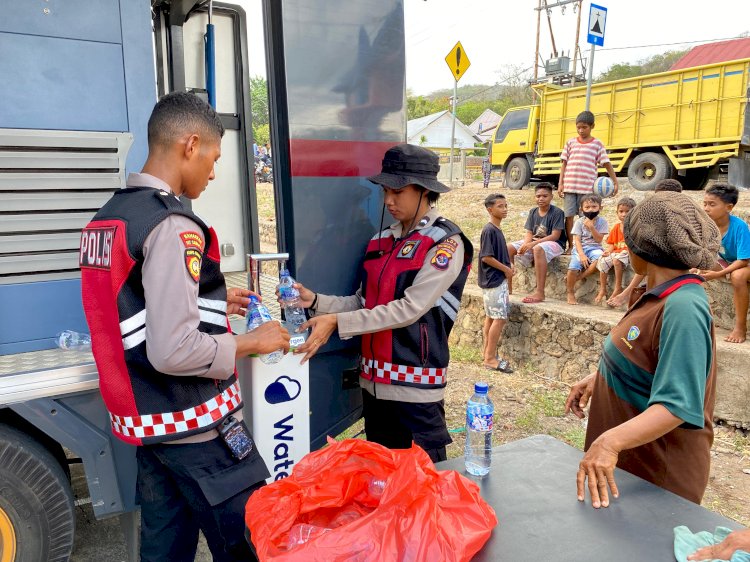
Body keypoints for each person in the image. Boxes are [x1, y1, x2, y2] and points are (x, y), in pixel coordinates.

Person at [79, 92, 291, 561]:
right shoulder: (173, 224)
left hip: (150, 427)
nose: (213, 174)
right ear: (190, 145)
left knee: (164, 548)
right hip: (195, 427)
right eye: (213, 159)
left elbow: (132, 303)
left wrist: (211, 298)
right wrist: (251, 341)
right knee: (251, 544)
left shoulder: (109, 218)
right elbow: (172, 350)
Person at [289, 144, 473, 464]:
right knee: (381, 483)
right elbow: (364, 301)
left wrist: (337, 323)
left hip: (416, 393)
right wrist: (317, 301)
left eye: (398, 191)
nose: (388, 201)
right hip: (373, 389)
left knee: (423, 490)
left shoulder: (446, 241)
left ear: (424, 190)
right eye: (386, 190)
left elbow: (410, 309)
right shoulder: (380, 241)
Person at [565, 191, 721, 509]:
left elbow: (677, 405)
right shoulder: (658, 293)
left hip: (657, 484)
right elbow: (650, 357)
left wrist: (610, 441)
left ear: (644, 250)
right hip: (628, 475)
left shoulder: (683, 307)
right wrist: (602, 375)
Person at [606, 179, 683, 308]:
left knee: (651, 261)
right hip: (656, 256)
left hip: (677, 258)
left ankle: (627, 293)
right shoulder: (651, 213)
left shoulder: (683, 214)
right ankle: (630, 294)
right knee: (647, 256)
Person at [558, 110, 618, 253]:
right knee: (569, 217)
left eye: (584, 127)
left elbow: (606, 163)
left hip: (586, 189)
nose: (581, 130)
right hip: (570, 186)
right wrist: (561, 183)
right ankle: (572, 246)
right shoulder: (570, 142)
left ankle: (586, 245)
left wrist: (615, 182)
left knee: (585, 217)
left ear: (592, 126)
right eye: (578, 127)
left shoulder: (597, 144)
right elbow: (564, 164)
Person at [697, 183, 750, 343]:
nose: (706, 208)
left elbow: (743, 260)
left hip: (745, 262)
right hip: (727, 262)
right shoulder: (707, 226)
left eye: (712, 204)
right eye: (705, 204)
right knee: (692, 270)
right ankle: (700, 321)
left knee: (738, 276)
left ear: (728, 207)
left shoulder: (739, 226)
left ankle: (740, 327)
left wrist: (719, 274)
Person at [507, 182, 567, 304]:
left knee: (538, 249)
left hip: (555, 243)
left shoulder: (557, 212)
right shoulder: (533, 211)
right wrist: (526, 244)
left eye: (545, 196)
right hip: (535, 241)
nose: (541, 199)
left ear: (551, 197)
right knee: (508, 247)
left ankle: (540, 292)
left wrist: (532, 245)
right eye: (538, 196)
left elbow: (555, 236)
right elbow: (529, 232)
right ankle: (508, 286)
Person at [478, 193, 514, 373]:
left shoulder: (496, 229)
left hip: (494, 280)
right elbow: (486, 257)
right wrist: (506, 269)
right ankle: (490, 358)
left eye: (506, 205)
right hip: (494, 280)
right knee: (499, 318)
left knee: (491, 317)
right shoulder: (490, 230)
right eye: (500, 206)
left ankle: (487, 353)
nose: (505, 209)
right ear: (490, 209)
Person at [566, 194, 608, 305]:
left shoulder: (602, 222)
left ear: (600, 208)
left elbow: (599, 240)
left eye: (594, 207)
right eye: (587, 207)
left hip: (595, 247)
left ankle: (579, 277)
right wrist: (582, 255)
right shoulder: (579, 222)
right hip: (580, 248)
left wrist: (592, 227)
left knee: (599, 260)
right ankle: (570, 292)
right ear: (581, 209)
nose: (591, 210)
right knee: (573, 268)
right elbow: (577, 241)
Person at [596, 196, 636, 304]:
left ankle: (618, 287)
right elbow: (612, 244)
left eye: (627, 211)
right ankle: (603, 289)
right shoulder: (616, 227)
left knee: (616, 260)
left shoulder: (634, 227)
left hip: (628, 253)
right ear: (617, 212)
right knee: (603, 260)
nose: (623, 214)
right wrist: (608, 251)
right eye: (621, 211)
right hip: (617, 252)